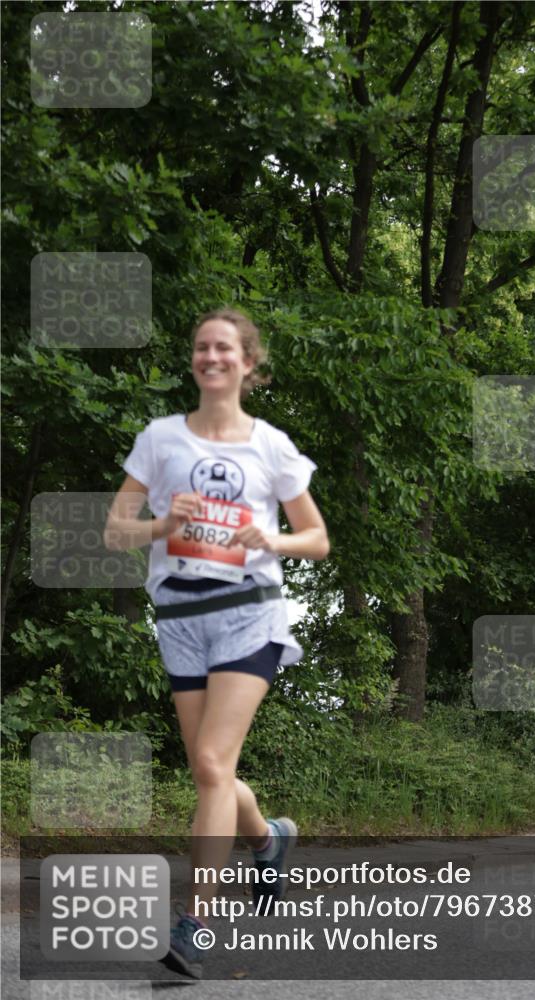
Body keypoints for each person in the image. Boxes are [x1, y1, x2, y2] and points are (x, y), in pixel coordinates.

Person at [104, 307, 329, 978]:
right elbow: (116, 529)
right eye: (201, 346)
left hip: (248, 614)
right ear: (194, 361)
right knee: (214, 773)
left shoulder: (271, 446)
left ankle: (196, 924)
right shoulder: (160, 438)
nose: (211, 356)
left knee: (208, 761)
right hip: (179, 616)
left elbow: (315, 539)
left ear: (247, 364)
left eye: (224, 347)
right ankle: (269, 840)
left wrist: (273, 539)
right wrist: (160, 522)